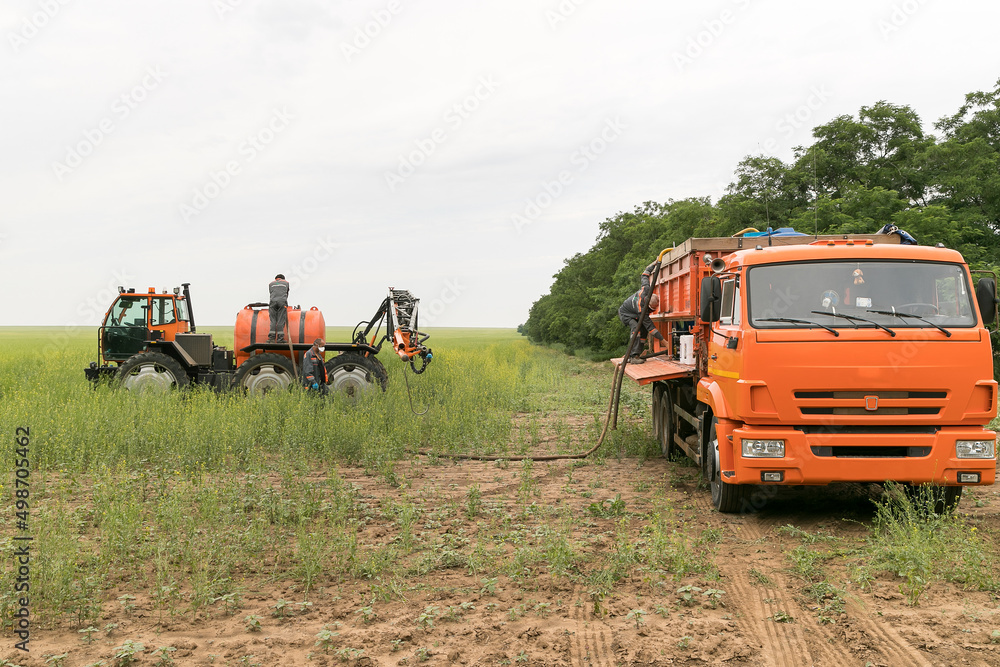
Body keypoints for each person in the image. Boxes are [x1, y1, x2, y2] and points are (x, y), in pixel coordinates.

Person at [618, 288, 667, 364]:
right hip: (626, 314)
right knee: (636, 328)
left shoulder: (646, 290)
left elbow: (644, 278)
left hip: (635, 314)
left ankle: (637, 354)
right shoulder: (642, 309)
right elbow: (651, 328)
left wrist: (646, 275)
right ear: (647, 305)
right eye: (651, 309)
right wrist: (664, 341)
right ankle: (634, 356)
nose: (652, 311)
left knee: (644, 330)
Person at [268, 274, 289, 342]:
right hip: (282, 302)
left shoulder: (271, 284)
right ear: (283, 278)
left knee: (273, 320)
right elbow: (286, 293)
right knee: (280, 320)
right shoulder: (286, 283)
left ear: (276, 279)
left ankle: (271, 339)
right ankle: (280, 339)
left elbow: (271, 293)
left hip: (272, 302)